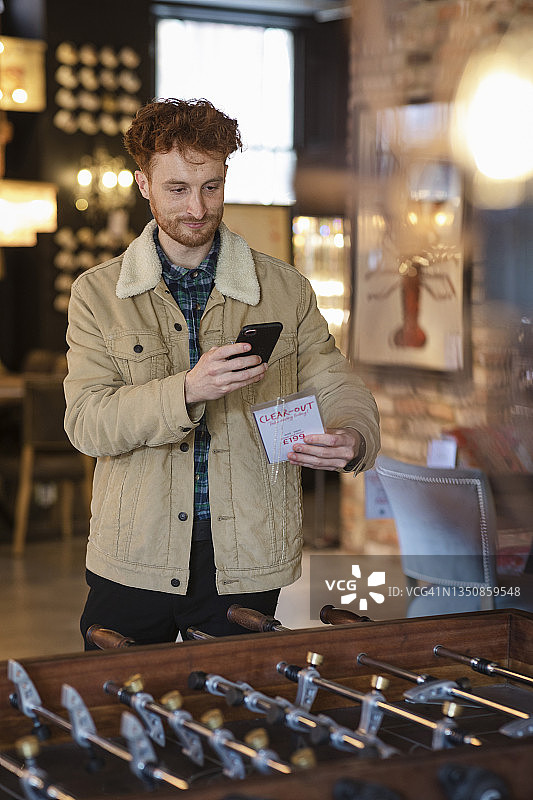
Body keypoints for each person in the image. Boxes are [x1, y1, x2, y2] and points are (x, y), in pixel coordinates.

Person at [64, 98, 380, 648]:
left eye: (211, 186)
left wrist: (353, 433)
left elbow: (335, 382)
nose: (197, 207)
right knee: (122, 699)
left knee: (236, 701)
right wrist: (187, 390)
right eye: (177, 189)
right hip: (135, 551)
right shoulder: (96, 295)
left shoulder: (286, 289)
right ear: (143, 184)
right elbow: (87, 423)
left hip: (247, 552)